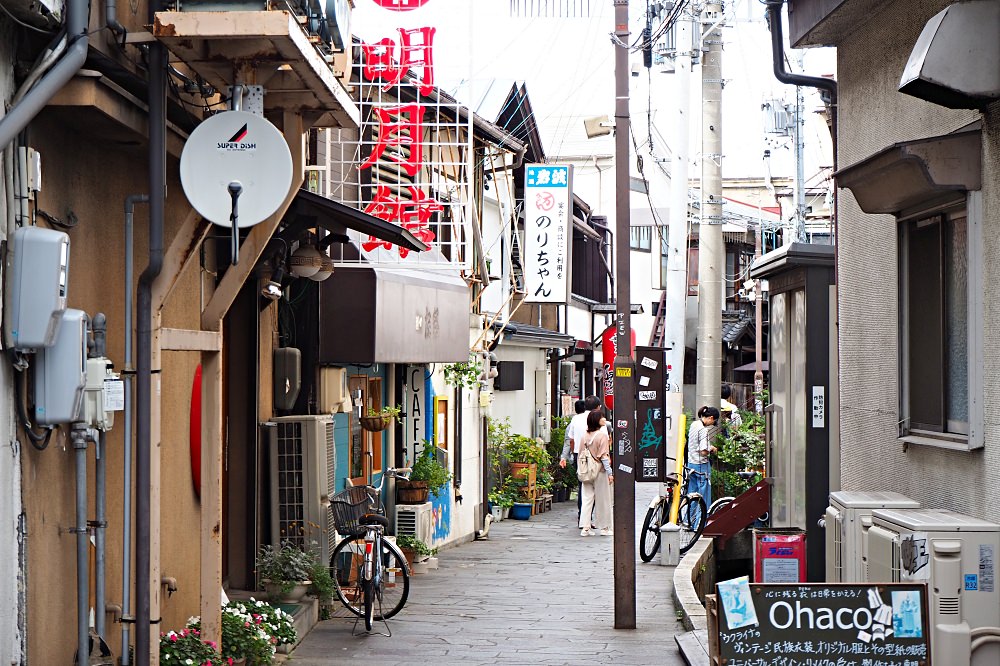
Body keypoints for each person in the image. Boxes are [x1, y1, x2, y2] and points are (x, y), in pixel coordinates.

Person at [578, 409, 614, 536]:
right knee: (603, 499)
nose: (604, 419)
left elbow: (581, 454)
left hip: (587, 471)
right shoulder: (602, 436)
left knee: (587, 499)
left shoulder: (584, 436)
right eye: (602, 417)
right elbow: (604, 456)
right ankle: (605, 528)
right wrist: (610, 473)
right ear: (597, 420)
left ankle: (585, 528)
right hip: (600, 471)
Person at [687, 406, 720, 508]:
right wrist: (711, 449)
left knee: (692, 494)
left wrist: (709, 446)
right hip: (701, 465)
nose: (712, 424)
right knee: (703, 496)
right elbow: (703, 451)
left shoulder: (694, 424)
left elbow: (696, 444)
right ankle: (702, 521)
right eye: (714, 422)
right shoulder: (703, 430)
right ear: (710, 418)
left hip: (691, 463)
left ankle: (689, 520)